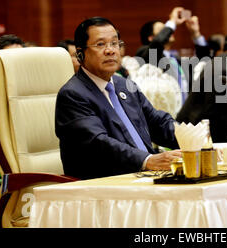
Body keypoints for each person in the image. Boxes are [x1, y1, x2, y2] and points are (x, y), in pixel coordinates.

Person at [55, 17, 181, 180]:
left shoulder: (124, 85)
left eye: (114, 43)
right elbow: (98, 144)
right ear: (80, 54)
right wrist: (148, 160)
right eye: (100, 44)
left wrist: (196, 140)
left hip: (145, 177)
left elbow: (158, 122)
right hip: (107, 184)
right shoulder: (73, 95)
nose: (110, 50)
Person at [135, 7, 208, 104]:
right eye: (163, 30)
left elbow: (204, 61)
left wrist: (195, 34)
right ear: (151, 38)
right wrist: (172, 21)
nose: (170, 31)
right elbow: (157, 44)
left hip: (184, 115)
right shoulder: (145, 53)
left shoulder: (176, 58)